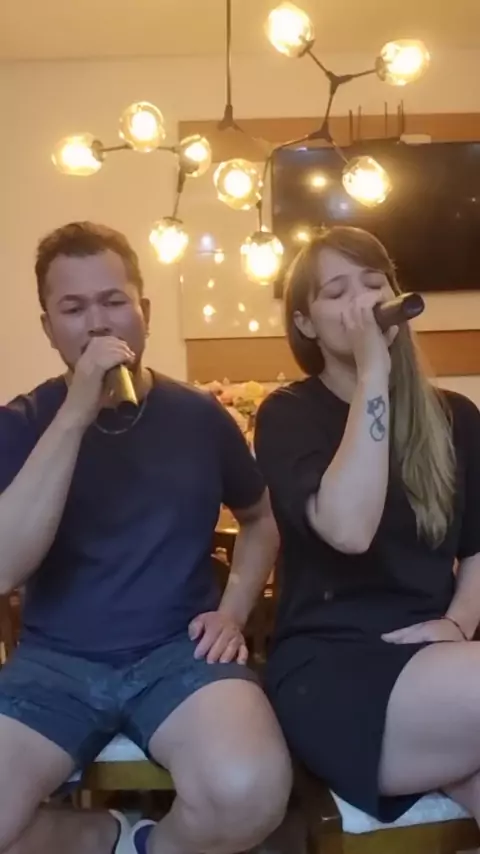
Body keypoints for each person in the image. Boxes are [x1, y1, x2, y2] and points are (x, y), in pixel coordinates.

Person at [0, 222, 292, 854]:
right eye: (73, 308)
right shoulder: (20, 424)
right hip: (53, 662)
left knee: (251, 792)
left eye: (114, 301)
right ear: (48, 327)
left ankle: (153, 847)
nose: (97, 324)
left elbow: (261, 518)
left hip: (179, 654)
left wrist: (233, 611)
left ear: (146, 313)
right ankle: (105, 835)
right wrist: (76, 414)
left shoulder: (199, 416)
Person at [254, 225, 480, 826]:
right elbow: (349, 529)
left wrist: (457, 624)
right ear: (305, 323)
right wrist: (373, 374)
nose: (361, 302)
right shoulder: (288, 415)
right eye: (336, 292)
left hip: (438, 657)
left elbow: (479, 548)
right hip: (332, 668)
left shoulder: (456, 418)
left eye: (373, 284)